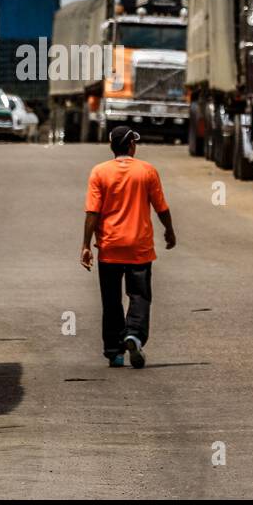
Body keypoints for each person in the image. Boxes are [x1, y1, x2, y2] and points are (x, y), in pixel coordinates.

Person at [80, 126, 176, 368]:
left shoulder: (99, 172)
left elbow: (92, 212)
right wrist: (169, 230)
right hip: (139, 248)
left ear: (111, 147)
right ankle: (134, 334)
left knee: (111, 300)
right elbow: (161, 207)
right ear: (132, 145)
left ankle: (115, 352)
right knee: (139, 296)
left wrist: (86, 245)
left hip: (109, 247)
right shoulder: (146, 171)